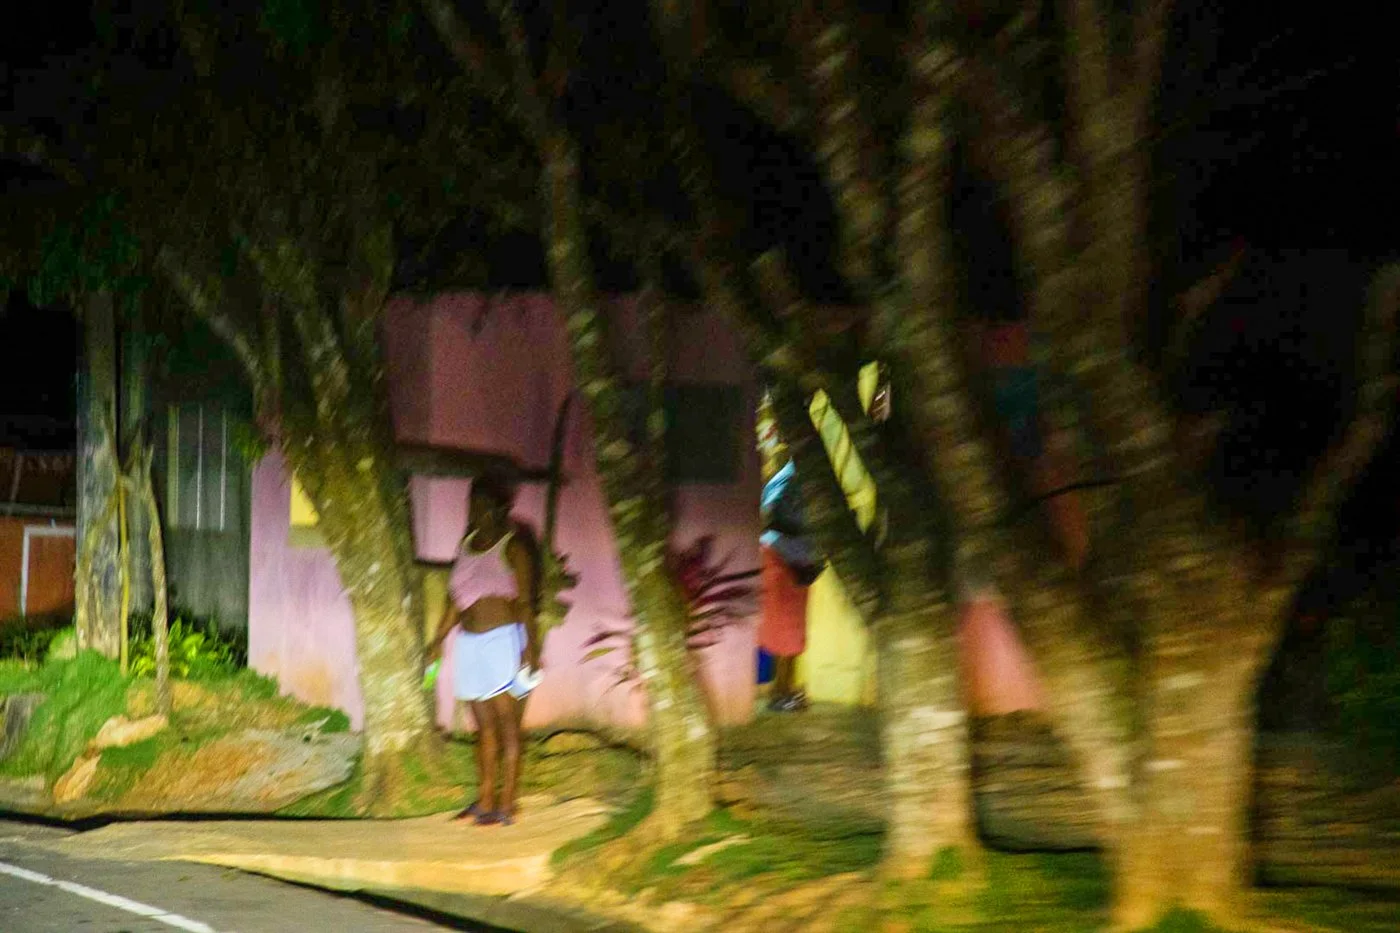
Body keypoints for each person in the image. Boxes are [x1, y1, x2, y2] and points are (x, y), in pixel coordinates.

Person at [428, 474, 543, 826]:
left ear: (497, 509)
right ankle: (484, 799)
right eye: (471, 505)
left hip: (503, 643)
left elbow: (525, 604)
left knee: (508, 725)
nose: (474, 512)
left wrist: (530, 650)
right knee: (483, 729)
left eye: (481, 505)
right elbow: (454, 602)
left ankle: (507, 803)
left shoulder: (513, 548)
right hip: (470, 645)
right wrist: (436, 641)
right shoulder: (466, 544)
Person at [759, 458, 823, 712]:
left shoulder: (782, 478)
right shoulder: (797, 477)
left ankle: (782, 691)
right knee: (788, 630)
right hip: (789, 558)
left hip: (785, 557)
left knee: (786, 630)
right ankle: (780, 694)